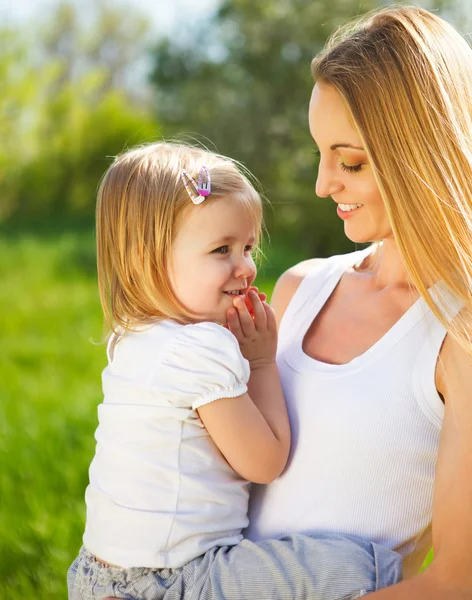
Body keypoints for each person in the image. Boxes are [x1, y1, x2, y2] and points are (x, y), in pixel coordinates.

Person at [67, 141, 401, 600]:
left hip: (95, 573)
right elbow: (264, 462)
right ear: (149, 258)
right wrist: (262, 361)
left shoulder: (134, 337)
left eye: (247, 247)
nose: (245, 266)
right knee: (362, 567)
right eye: (221, 250)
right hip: (176, 578)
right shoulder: (201, 347)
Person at [244, 5, 472, 599]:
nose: (323, 185)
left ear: (418, 153)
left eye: (349, 162)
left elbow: (455, 581)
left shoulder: (459, 336)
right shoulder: (298, 288)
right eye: (320, 154)